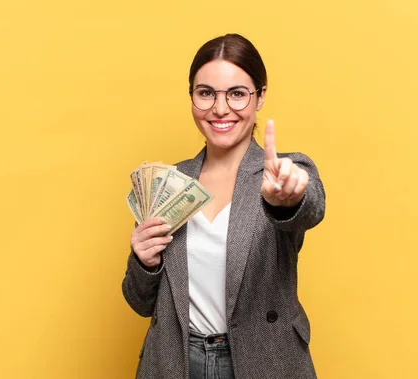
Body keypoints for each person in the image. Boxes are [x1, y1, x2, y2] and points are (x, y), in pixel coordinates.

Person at [122, 33, 326, 379]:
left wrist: (287, 199)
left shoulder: (282, 172)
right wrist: (145, 261)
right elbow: (141, 303)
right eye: (205, 93)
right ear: (192, 98)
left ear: (260, 97)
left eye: (236, 94)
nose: (220, 108)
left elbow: (311, 205)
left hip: (262, 358)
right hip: (177, 361)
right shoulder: (170, 182)